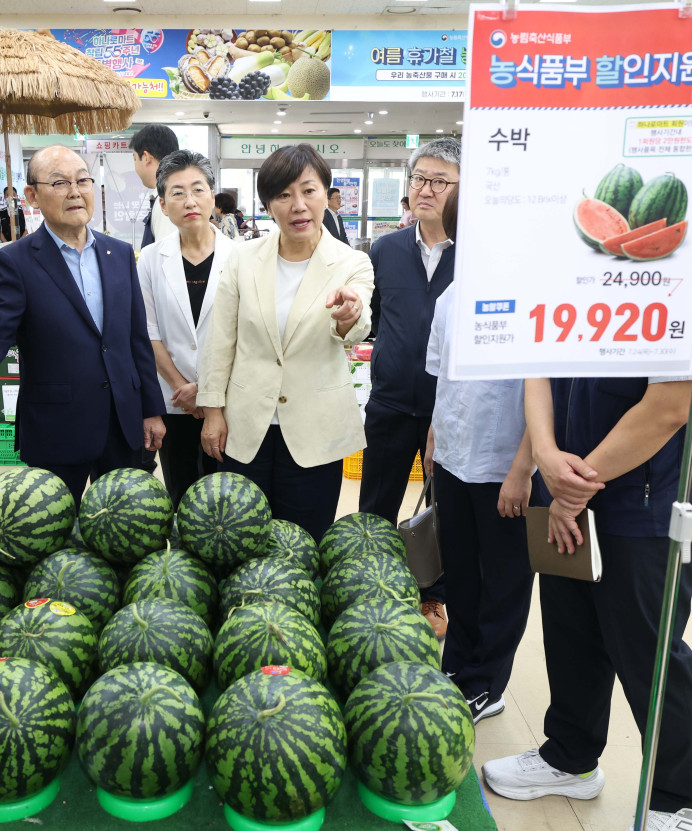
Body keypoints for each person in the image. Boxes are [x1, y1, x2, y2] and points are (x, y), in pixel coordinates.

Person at [483, 250, 692, 831]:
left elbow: (673, 405)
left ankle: (678, 801)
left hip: (648, 497)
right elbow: (539, 359)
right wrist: (548, 458)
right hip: (570, 476)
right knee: (572, 630)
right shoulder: (576, 251)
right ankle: (570, 758)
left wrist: (573, 486)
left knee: (649, 652)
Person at [0, 145, 166, 505]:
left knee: (125, 529)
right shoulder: (16, 261)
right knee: (51, 536)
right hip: (58, 425)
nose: (75, 191)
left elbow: (136, 339)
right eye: (59, 183)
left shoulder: (118, 253)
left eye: (83, 180)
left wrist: (151, 409)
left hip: (123, 422)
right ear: (32, 195)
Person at [198, 144, 373, 542]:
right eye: (283, 195)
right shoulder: (243, 259)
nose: (298, 205)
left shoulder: (352, 262)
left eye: (309, 191)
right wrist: (213, 412)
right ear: (267, 204)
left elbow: (358, 319)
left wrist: (349, 316)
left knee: (304, 544)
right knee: (240, 539)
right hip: (245, 427)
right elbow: (220, 341)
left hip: (315, 430)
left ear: (325, 195)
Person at [424, 180, 534, 725]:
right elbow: (442, 379)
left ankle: (487, 683)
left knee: (504, 581)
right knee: (462, 575)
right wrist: (432, 447)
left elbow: (546, 395)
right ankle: (458, 668)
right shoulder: (451, 295)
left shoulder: (534, 292)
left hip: (504, 466)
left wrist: (522, 468)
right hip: (454, 459)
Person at [358, 136, 460, 639]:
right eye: (419, 178)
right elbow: (374, 322)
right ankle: (367, 590)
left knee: (441, 510)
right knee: (377, 502)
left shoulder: (475, 254)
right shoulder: (386, 249)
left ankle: (432, 597)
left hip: (451, 409)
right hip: (391, 401)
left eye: (440, 181)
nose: (425, 189)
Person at [138, 151, 234, 507]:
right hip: (174, 399)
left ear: (212, 196)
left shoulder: (241, 257)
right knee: (180, 494)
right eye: (177, 193)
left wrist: (208, 394)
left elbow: (243, 336)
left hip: (226, 401)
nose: (189, 200)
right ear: (163, 205)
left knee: (225, 499)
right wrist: (183, 387)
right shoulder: (149, 258)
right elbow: (148, 332)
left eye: (197, 189)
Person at [130, 124, 179, 248]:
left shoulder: (166, 201)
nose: (135, 165)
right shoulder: (175, 193)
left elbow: (165, 258)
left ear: (146, 157)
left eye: (135, 159)